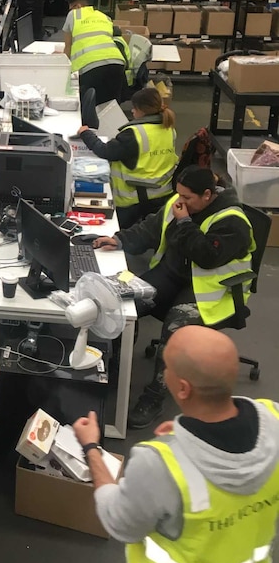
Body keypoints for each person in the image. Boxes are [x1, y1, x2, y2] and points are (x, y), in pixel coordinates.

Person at [73, 325, 279, 563]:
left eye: (165, 368)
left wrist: (92, 448)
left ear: (182, 388)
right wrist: (185, 433)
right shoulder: (273, 420)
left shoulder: (160, 464)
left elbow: (116, 519)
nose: (162, 374)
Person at [93, 165, 255, 429]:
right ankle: (114, 367)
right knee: (124, 303)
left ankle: (155, 396)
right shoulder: (180, 201)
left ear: (207, 195)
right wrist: (120, 240)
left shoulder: (233, 222)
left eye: (188, 198)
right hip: (172, 274)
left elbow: (206, 255)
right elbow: (152, 227)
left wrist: (184, 223)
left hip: (210, 290)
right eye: (179, 196)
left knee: (176, 327)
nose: (181, 202)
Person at [77, 87, 178, 229]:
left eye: (134, 108)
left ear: (142, 111)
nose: (132, 111)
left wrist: (86, 133)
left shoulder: (134, 134)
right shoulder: (168, 128)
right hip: (163, 193)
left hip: (134, 197)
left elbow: (105, 151)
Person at [63, 0, 126, 107]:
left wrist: (64, 71)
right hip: (117, 63)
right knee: (111, 108)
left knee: (88, 107)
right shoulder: (105, 16)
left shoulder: (74, 14)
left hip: (90, 66)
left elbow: (68, 46)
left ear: (77, 6)